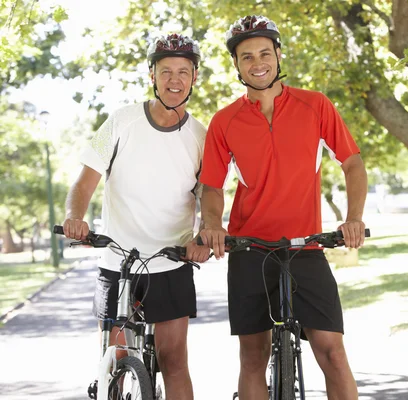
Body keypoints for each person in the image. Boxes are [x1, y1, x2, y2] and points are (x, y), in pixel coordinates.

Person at [199, 15, 367, 400]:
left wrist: (353, 218)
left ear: (278, 53)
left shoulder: (315, 105)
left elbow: (353, 163)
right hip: (248, 250)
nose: (257, 62)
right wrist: (212, 224)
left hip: (305, 247)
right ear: (237, 65)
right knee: (252, 358)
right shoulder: (224, 121)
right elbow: (211, 185)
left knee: (333, 352)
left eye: (264, 52)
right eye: (246, 57)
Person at [62, 33, 210, 400]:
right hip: (118, 261)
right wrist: (74, 217)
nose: (174, 80)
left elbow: (209, 196)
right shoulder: (120, 121)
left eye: (183, 72)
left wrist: (203, 233)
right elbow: (83, 184)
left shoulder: (201, 136)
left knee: (174, 360)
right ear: (152, 76)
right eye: (165, 72)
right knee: (118, 357)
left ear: (194, 79)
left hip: (171, 262)